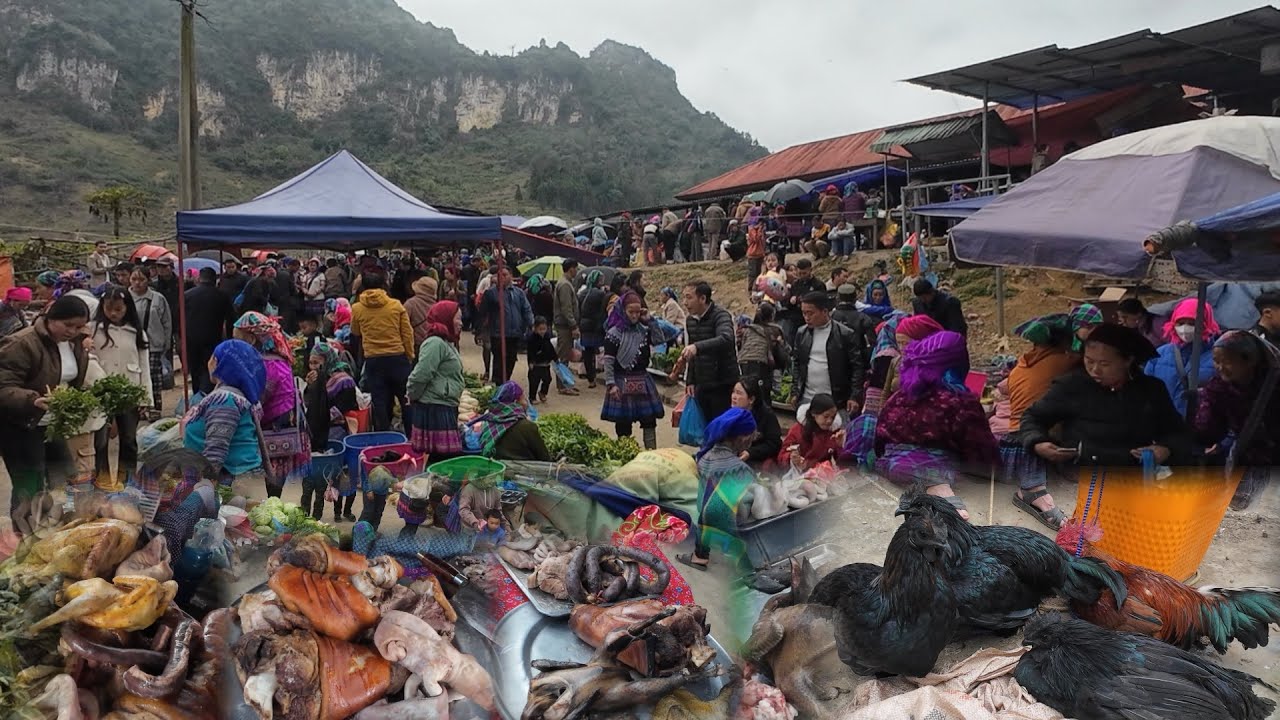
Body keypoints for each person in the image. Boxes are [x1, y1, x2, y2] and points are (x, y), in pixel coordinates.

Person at [1021, 324, 1195, 477]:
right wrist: (1038, 442)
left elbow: (1176, 432)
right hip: (1079, 478)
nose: (1095, 370)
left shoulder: (1151, 389)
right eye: (1089, 361)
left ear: (1128, 361)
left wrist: (1165, 449)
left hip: (1133, 480)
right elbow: (1033, 418)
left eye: (1104, 364)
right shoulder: (1072, 385)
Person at [876, 331, 998, 520]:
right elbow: (983, 455)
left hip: (889, 462)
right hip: (933, 467)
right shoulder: (961, 402)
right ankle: (936, 486)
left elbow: (879, 439)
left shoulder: (900, 396)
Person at [0, 296, 90, 531]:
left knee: (67, 477)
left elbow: (72, 381)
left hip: (52, 424)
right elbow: (3, 386)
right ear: (51, 318)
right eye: (67, 325)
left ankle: (64, 529)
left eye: (79, 326)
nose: (72, 331)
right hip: (21, 426)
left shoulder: (76, 343)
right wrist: (32, 399)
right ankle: (25, 542)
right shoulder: (22, 343)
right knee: (30, 485)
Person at [1001, 313, 1082, 528]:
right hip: (1030, 446)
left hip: (1010, 444)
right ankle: (1033, 491)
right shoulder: (1065, 361)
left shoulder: (1021, 365)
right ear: (1065, 340)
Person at [1194, 330, 1279, 509]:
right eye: (1216, 361)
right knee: (1241, 509)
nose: (1220, 367)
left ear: (1250, 361)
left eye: (1227, 361)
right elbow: (1209, 430)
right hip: (1247, 456)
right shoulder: (1218, 388)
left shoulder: (1274, 383)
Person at [677, 407, 757, 572]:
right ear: (743, 437)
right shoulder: (740, 469)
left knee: (707, 513)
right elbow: (746, 501)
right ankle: (747, 570)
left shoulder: (705, 458)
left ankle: (700, 556)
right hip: (728, 523)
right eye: (751, 436)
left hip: (704, 516)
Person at [182, 339, 266, 493]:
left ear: (217, 362)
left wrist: (203, 488)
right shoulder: (234, 396)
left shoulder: (225, 399)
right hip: (236, 479)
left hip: (231, 484)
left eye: (212, 357)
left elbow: (216, 448)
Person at [233, 311, 304, 494]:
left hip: (276, 421)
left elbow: (259, 396)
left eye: (238, 339)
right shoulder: (273, 359)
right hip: (277, 416)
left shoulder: (268, 364)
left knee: (274, 470)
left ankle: (273, 503)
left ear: (251, 339)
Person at [90, 287, 153, 490]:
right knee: (100, 442)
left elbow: (144, 367)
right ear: (102, 307)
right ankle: (103, 482)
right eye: (109, 309)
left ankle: (128, 484)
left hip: (129, 393)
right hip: (100, 393)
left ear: (127, 307)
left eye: (118, 309)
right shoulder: (92, 330)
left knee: (128, 440)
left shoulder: (137, 332)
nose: (114, 314)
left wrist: (146, 398)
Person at [351, 271, 416, 432]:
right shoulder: (396, 305)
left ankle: (384, 435)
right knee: (405, 399)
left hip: (373, 360)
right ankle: (411, 435)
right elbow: (407, 334)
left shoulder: (357, 308)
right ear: (383, 285)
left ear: (363, 286)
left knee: (379, 400)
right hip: (397, 357)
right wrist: (409, 355)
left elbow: (355, 331)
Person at [601, 292, 665, 449]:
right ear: (623, 310)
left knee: (649, 420)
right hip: (621, 382)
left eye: (638, 312)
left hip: (642, 380)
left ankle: (651, 453)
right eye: (631, 312)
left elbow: (659, 340)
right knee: (623, 424)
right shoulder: (614, 334)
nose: (635, 316)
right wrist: (611, 383)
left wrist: (651, 320)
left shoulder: (643, 330)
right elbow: (608, 360)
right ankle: (626, 454)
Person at [793, 291, 866, 423]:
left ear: (824, 311)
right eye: (804, 313)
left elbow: (857, 367)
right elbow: (797, 363)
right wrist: (794, 391)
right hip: (808, 398)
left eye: (810, 313)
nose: (806, 317)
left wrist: (854, 396)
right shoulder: (801, 333)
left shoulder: (845, 334)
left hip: (836, 400)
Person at [1145, 297, 1219, 417]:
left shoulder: (1218, 358)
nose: (1185, 328)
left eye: (1192, 323)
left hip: (1200, 428)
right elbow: (1146, 391)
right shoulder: (1159, 354)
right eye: (1180, 323)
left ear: (1206, 323)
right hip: (1164, 427)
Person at [681, 281, 739, 426]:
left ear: (703, 298)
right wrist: (691, 381)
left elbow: (726, 338)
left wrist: (697, 347)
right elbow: (691, 353)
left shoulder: (721, 316)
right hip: (702, 384)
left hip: (723, 384)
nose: (685, 303)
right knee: (705, 429)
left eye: (689, 298)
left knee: (721, 429)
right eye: (684, 298)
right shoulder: (690, 321)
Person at [183, 267, 235, 394]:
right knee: (210, 368)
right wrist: (230, 339)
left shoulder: (187, 295)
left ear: (200, 278)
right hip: (214, 338)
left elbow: (179, 319)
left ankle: (197, 395)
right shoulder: (222, 296)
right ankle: (207, 394)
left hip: (191, 339)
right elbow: (230, 320)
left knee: (195, 371)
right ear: (214, 279)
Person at [128, 267, 172, 419]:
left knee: (154, 377)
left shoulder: (157, 299)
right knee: (134, 377)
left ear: (148, 280)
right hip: (131, 345)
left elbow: (166, 322)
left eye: (141, 279)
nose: (137, 283)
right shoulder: (125, 297)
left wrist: (167, 343)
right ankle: (138, 409)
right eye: (134, 279)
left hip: (154, 344)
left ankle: (154, 408)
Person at [469, 382, 551, 461]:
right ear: (516, 402)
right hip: (523, 470)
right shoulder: (527, 426)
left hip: (495, 467)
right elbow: (544, 457)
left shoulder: (488, 422)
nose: (526, 403)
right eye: (524, 399)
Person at [481, 267, 534, 384]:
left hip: (514, 333)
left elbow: (526, 308)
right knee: (499, 360)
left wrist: (531, 323)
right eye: (500, 275)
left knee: (510, 360)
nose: (502, 278)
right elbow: (483, 312)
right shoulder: (491, 293)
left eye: (505, 275)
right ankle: (498, 384)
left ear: (510, 276)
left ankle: (506, 382)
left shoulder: (518, 293)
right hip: (498, 333)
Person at [778, 392, 845, 472]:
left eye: (833, 417)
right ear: (814, 414)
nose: (829, 421)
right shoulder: (798, 430)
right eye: (826, 416)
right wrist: (791, 458)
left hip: (823, 475)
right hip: (798, 475)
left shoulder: (834, 433)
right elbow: (781, 456)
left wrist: (840, 446)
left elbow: (842, 464)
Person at [737, 302, 786, 400]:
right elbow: (783, 348)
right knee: (762, 396)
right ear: (772, 315)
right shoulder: (775, 329)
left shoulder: (749, 329)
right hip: (760, 364)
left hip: (743, 363)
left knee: (747, 393)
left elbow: (742, 346)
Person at [731, 376, 782, 468]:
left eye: (739, 393)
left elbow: (774, 444)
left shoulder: (766, 416)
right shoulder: (730, 414)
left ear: (751, 399)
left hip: (758, 460)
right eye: (733, 392)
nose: (734, 397)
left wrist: (750, 453)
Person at [777, 258, 825, 346]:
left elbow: (822, 301)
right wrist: (791, 301)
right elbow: (787, 302)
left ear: (810, 270)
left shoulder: (818, 285)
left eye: (804, 273)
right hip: (796, 316)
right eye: (800, 273)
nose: (802, 276)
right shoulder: (795, 284)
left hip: (812, 317)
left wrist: (804, 299)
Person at [553, 260, 582, 396]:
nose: (577, 271)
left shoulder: (565, 283)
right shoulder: (564, 285)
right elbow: (566, 308)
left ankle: (565, 382)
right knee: (563, 356)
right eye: (576, 269)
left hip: (565, 325)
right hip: (564, 326)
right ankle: (563, 386)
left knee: (565, 354)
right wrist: (573, 325)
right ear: (571, 269)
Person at [832, 284, 877, 363]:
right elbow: (872, 345)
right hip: (858, 361)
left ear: (837, 298)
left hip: (833, 362)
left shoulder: (830, 317)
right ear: (855, 299)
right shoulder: (864, 318)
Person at [578, 270, 608, 388]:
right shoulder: (600, 294)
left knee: (587, 351)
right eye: (600, 279)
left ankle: (591, 378)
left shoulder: (582, 293)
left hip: (584, 325)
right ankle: (594, 375)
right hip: (595, 326)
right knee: (596, 350)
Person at [526, 316, 556, 404]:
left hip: (545, 364)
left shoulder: (547, 337)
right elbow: (530, 351)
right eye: (540, 329)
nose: (542, 331)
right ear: (535, 329)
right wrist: (530, 362)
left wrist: (555, 358)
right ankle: (532, 397)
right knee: (534, 382)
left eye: (544, 329)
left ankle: (543, 393)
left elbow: (551, 348)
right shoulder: (532, 339)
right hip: (536, 365)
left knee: (548, 379)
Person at [404, 274, 439, 348]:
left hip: (415, 343)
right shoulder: (437, 306)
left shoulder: (410, 304)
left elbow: (404, 325)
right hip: (432, 343)